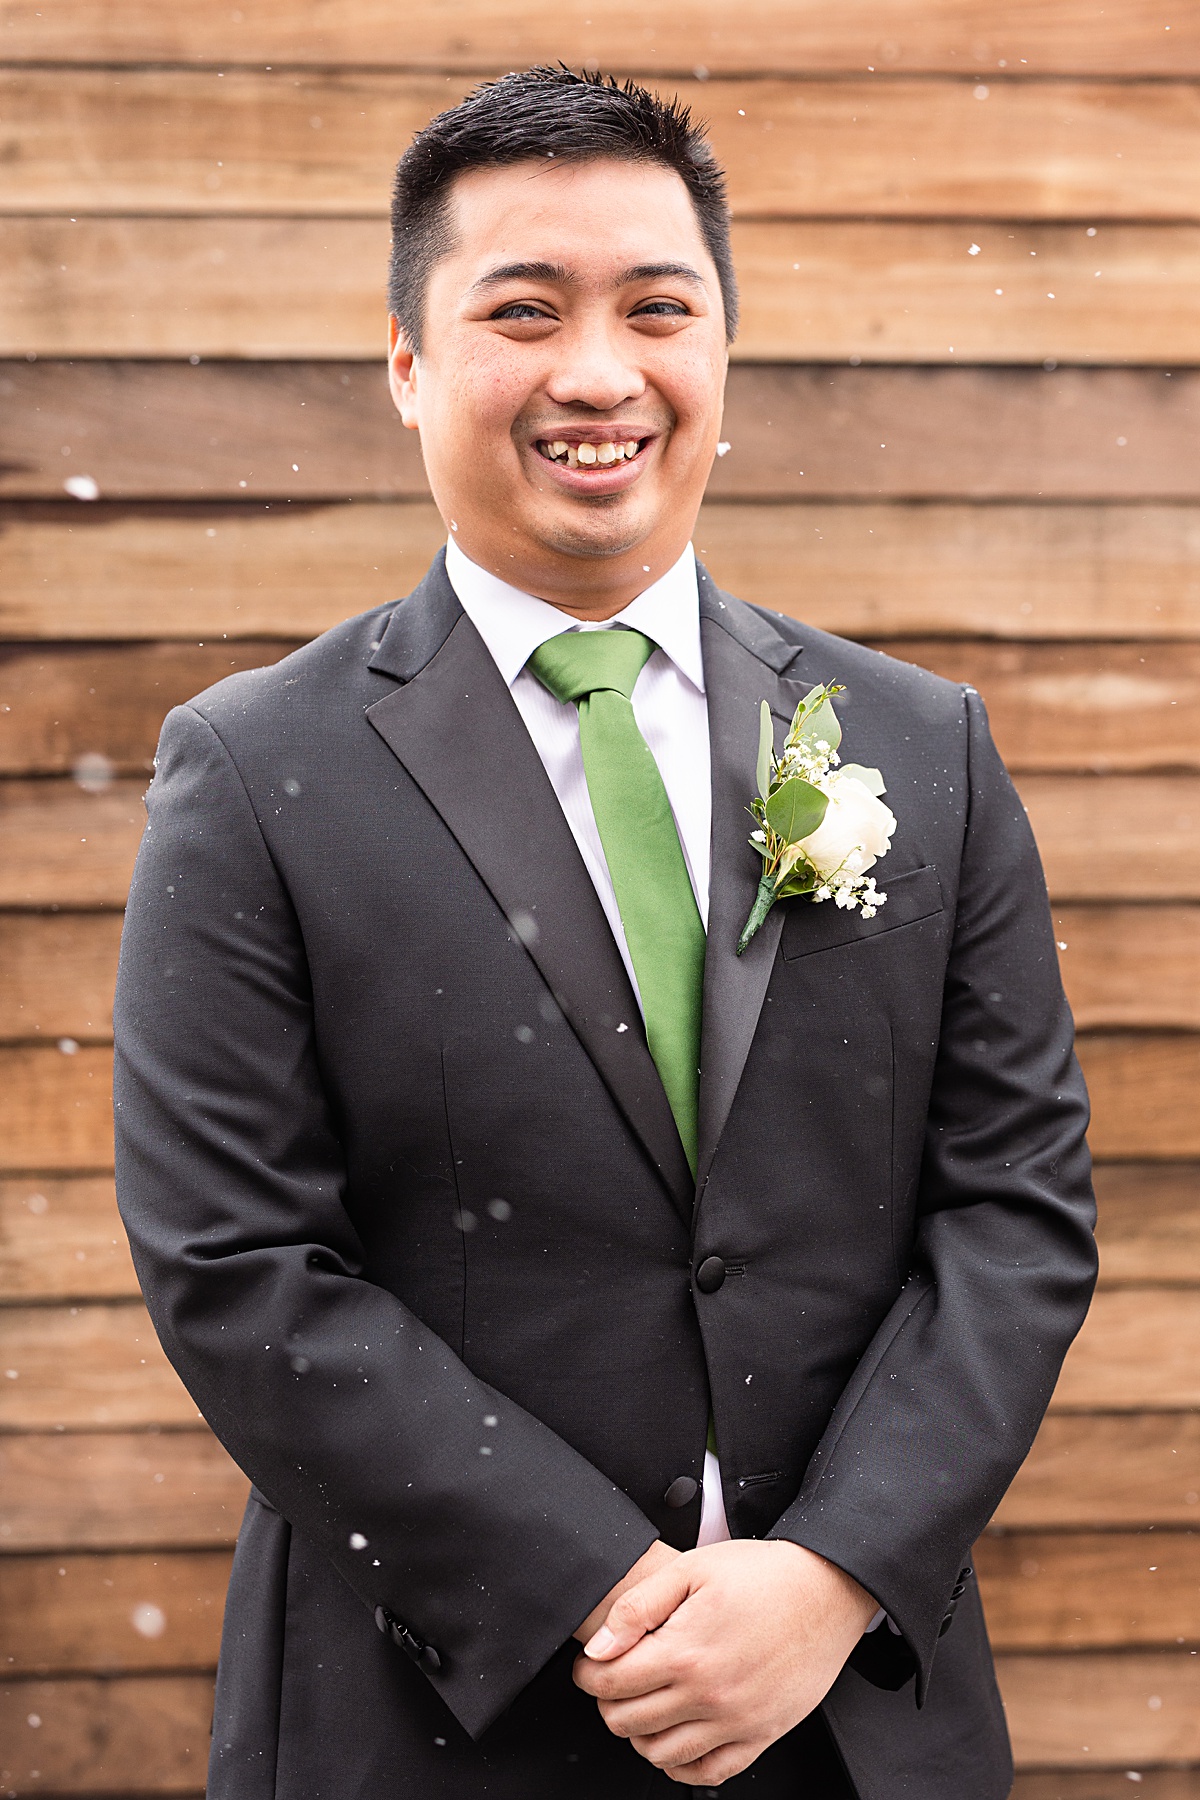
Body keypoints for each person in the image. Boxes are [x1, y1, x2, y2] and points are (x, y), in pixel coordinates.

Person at [113, 67, 1096, 1800]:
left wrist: (826, 1577)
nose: (598, 371)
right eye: (523, 309)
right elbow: (238, 1266)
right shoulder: (256, 773)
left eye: (659, 308)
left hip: (856, 1715)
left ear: (723, 356)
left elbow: (1013, 1209)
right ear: (409, 365)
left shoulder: (917, 746)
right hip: (432, 1711)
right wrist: (607, 1591)